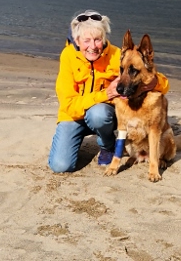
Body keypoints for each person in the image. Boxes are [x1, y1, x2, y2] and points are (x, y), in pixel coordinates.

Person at [48, 9, 169, 173]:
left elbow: (162, 83)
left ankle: (106, 146)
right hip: (73, 116)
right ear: (77, 40)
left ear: (104, 38)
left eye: (97, 39)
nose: (93, 46)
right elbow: (69, 105)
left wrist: (153, 82)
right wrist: (106, 94)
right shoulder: (68, 57)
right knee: (60, 166)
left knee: (99, 114)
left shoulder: (117, 55)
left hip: (101, 118)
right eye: (87, 40)